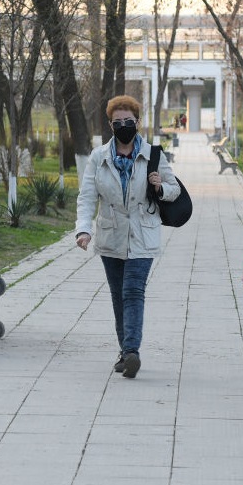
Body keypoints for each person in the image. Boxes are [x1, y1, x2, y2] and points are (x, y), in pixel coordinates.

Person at [75, 95, 180, 379]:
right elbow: (87, 197)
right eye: (117, 122)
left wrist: (160, 188)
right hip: (110, 236)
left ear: (137, 122)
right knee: (118, 296)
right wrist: (83, 229)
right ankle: (125, 352)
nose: (123, 126)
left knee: (133, 291)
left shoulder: (153, 155)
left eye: (128, 121)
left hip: (142, 234)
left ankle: (132, 351)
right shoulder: (99, 158)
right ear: (110, 124)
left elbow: (175, 190)